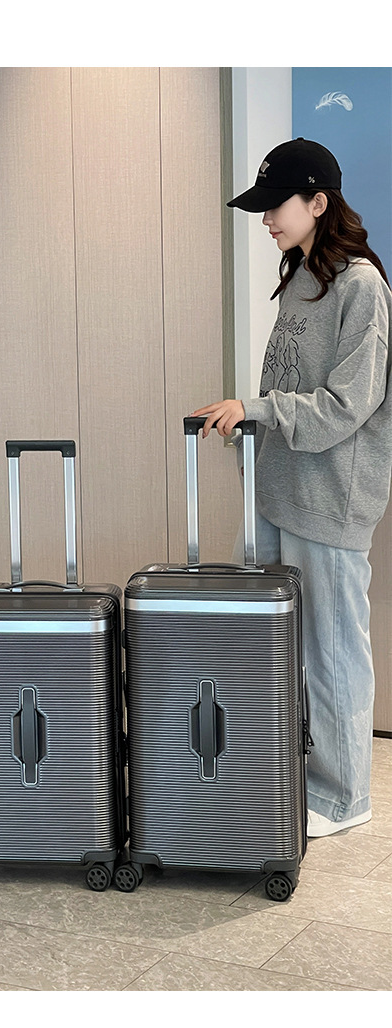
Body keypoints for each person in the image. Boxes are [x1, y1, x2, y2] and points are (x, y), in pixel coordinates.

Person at [193, 137, 392, 838]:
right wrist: (245, 419)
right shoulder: (302, 276)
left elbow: (347, 405)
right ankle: (295, 779)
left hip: (330, 500)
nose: (267, 218)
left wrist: (258, 409)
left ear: (318, 202)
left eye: (277, 204)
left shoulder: (362, 288)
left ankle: (343, 799)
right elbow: (288, 385)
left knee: (333, 652)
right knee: (280, 649)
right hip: (279, 491)